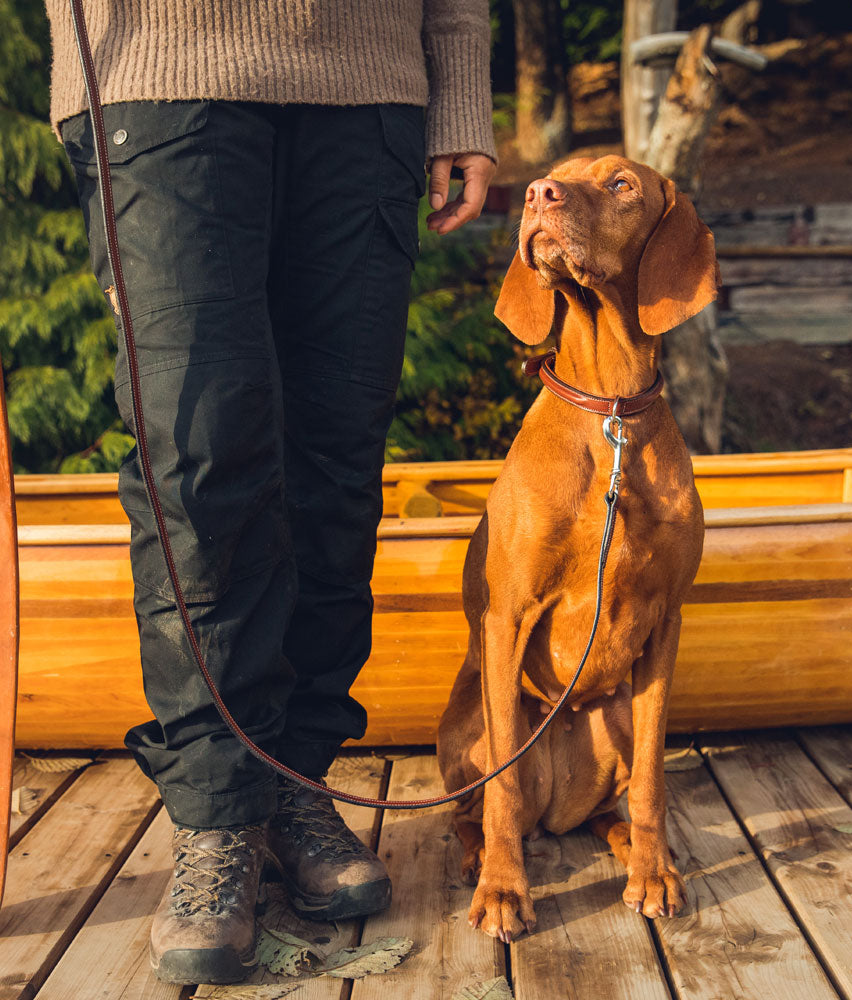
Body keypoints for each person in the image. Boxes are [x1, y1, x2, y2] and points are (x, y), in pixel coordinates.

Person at [44, 1, 497, 985]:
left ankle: (294, 781)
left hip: (368, 87)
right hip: (158, 76)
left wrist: (457, 92)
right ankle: (218, 813)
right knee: (201, 456)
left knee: (335, 459)